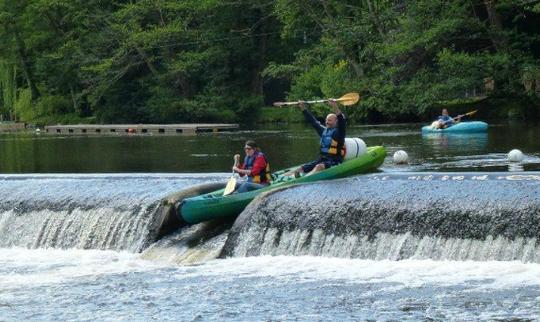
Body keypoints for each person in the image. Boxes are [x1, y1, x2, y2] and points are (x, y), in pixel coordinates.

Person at [287, 99, 346, 177]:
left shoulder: (340, 132)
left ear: (336, 121)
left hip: (335, 160)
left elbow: (341, 120)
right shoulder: (323, 131)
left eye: (330, 120)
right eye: (326, 120)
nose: (327, 122)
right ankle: (284, 177)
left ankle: (305, 178)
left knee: (318, 167)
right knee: (300, 169)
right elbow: (313, 121)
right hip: (322, 159)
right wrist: (303, 108)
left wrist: (334, 106)